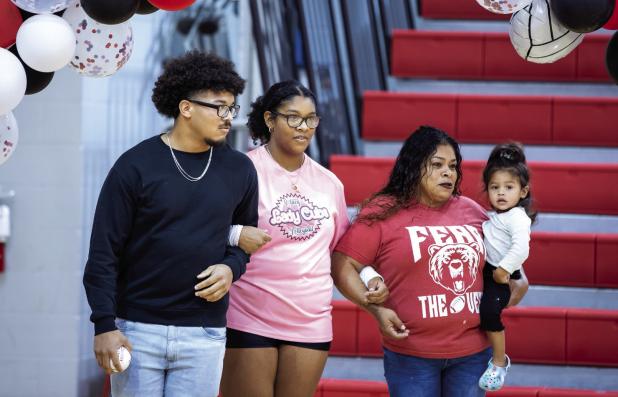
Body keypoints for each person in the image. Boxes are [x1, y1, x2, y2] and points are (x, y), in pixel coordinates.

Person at [83, 51, 258, 397]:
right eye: (220, 107)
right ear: (186, 108)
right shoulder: (135, 166)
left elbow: (242, 241)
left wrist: (231, 268)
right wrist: (104, 324)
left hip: (204, 334)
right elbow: (103, 253)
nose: (228, 117)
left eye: (232, 108)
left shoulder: (240, 169)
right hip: (135, 330)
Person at [332, 126, 529, 397]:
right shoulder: (383, 210)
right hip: (412, 355)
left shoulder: (471, 211)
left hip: (472, 354)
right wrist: (375, 310)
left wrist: (519, 279)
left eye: (453, 166)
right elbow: (343, 264)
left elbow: (504, 259)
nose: (448, 172)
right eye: (437, 165)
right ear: (413, 166)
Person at [220, 80, 387, 397]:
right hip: (249, 316)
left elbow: (342, 252)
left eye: (311, 119)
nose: (304, 127)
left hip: (310, 322)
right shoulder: (242, 170)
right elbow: (208, 231)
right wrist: (237, 234)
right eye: (293, 117)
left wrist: (369, 276)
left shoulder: (329, 183)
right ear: (270, 119)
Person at [478, 143, 536, 391]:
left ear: (523, 192)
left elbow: (521, 249)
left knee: (490, 313)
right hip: (487, 271)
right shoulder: (493, 216)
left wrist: (504, 270)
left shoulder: (518, 218)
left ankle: (499, 363)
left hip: (500, 275)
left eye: (508, 187)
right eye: (495, 187)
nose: (501, 193)